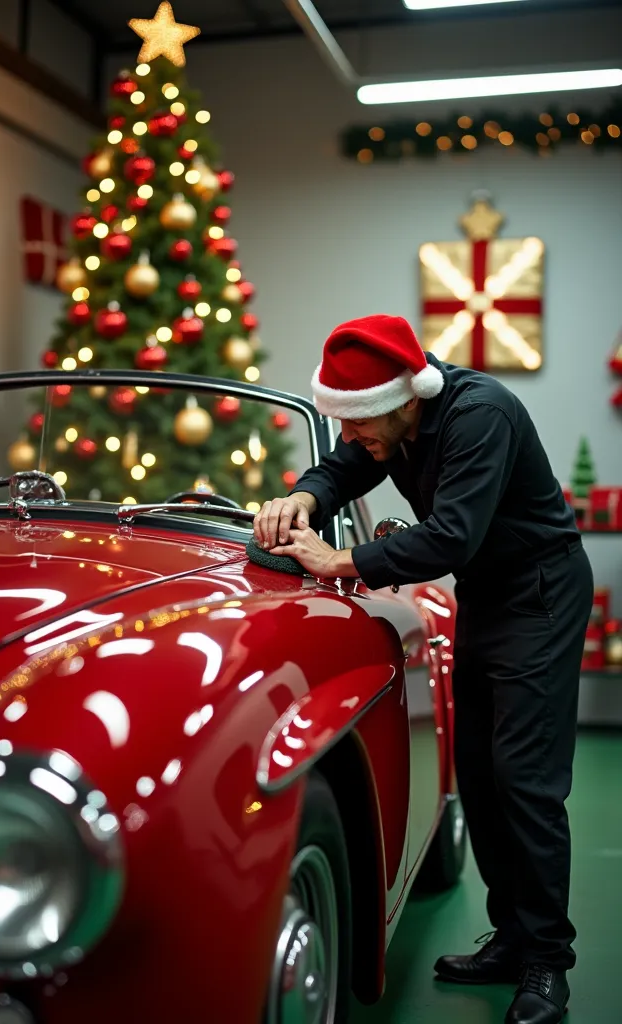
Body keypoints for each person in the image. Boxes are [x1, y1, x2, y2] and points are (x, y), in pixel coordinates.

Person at [253, 314, 592, 1024]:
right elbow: (345, 466)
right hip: (492, 597)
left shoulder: (481, 416)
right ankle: (510, 937)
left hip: (540, 596)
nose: (350, 436)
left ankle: (546, 964)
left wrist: (338, 560)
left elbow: (452, 536)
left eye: (358, 422)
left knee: (525, 781)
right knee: (479, 770)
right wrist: (304, 497)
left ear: (407, 397)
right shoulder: (391, 423)